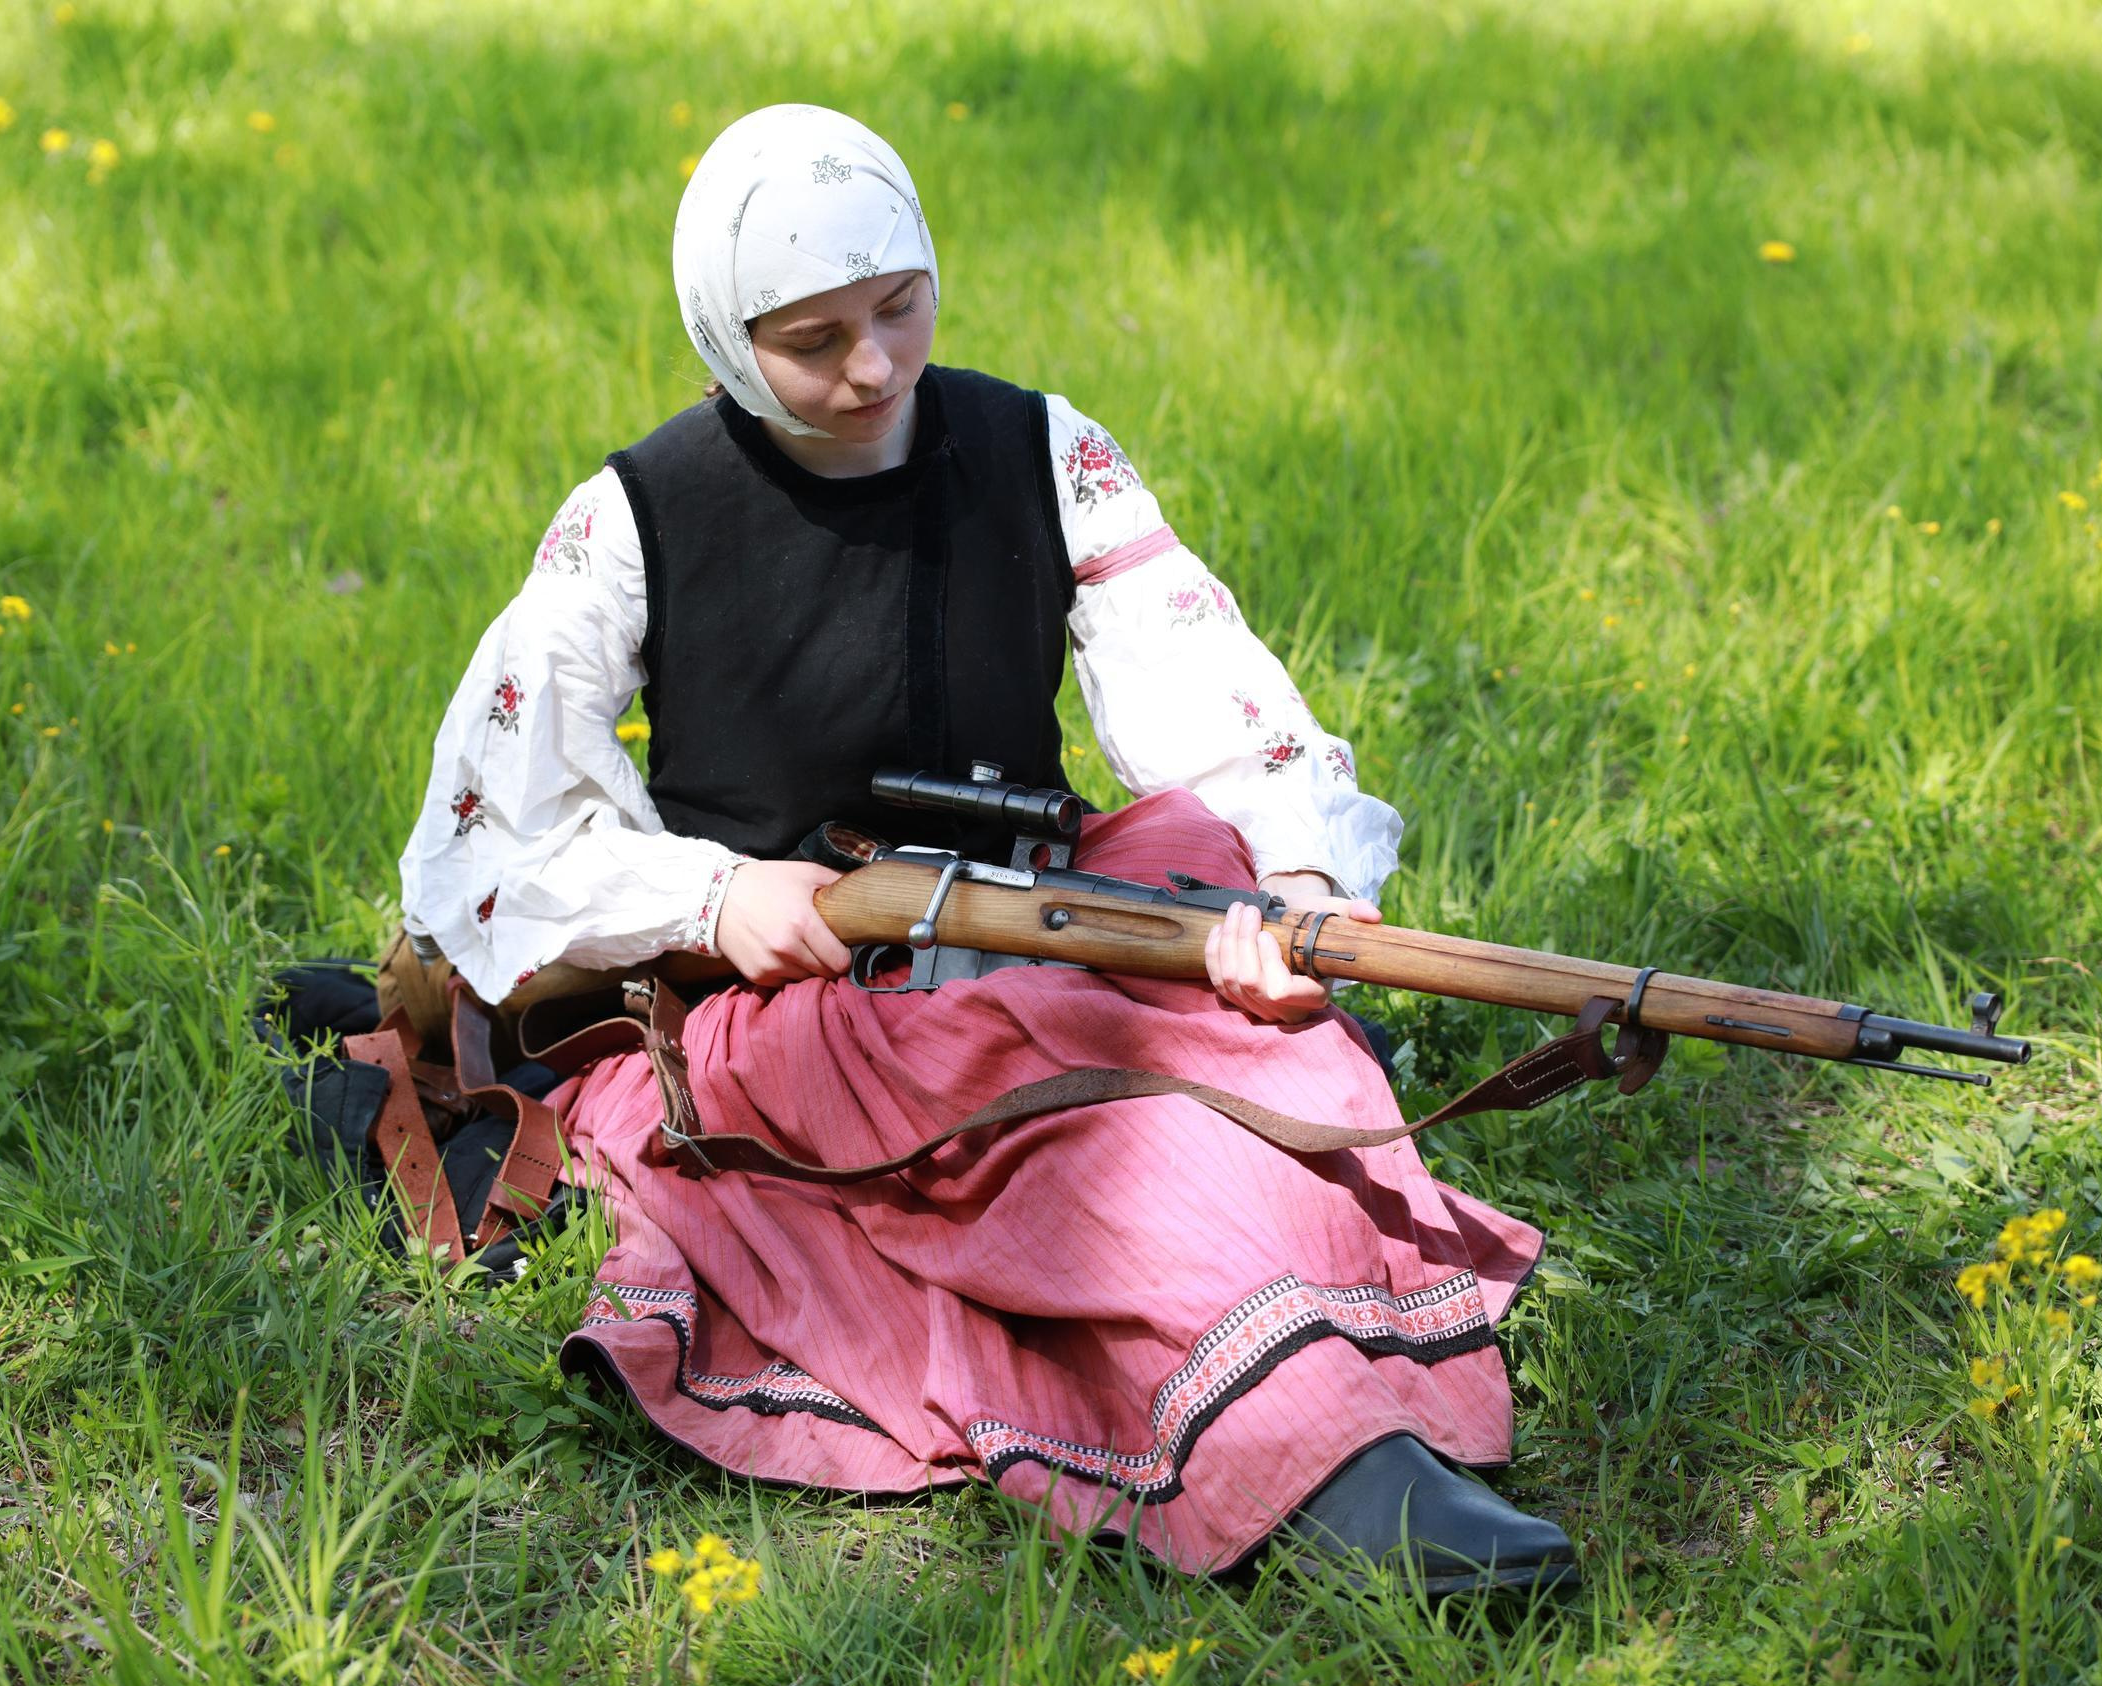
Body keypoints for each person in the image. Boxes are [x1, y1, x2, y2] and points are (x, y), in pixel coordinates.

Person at [396, 104, 1572, 1593]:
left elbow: (1205, 693)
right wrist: (712, 891)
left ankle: (1333, 1393)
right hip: (806, 995)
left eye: (901, 308)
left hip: (1049, 917)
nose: (875, 367)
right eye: (813, 339)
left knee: (1258, 1050)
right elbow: (488, 832)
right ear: (720, 334)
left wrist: (1299, 888)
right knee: (1076, 1146)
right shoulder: (636, 518)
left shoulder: (1038, 445)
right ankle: (1316, 1462)